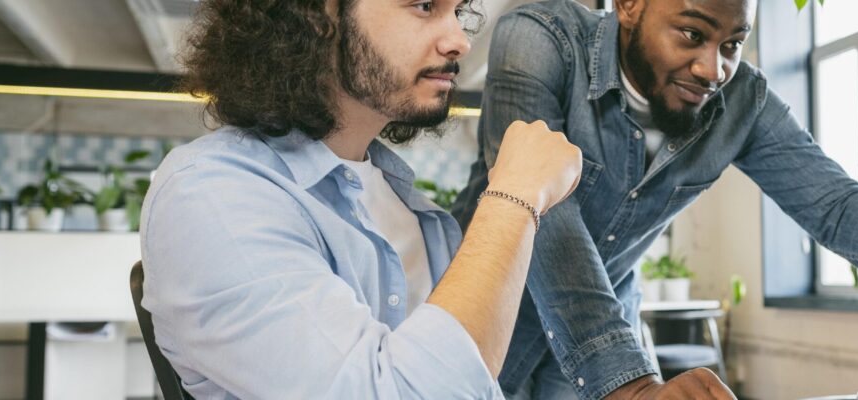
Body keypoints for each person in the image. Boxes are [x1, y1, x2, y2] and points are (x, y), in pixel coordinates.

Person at [452, 0, 858, 399]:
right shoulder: (538, 37)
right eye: (692, 34)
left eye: (733, 45)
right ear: (630, 5)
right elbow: (544, 210)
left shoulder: (745, 101)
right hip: (475, 315)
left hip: (602, 329)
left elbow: (834, 203)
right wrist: (629, 382)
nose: (713, 69)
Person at [139, 0, 581, 398]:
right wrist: (513, 198)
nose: (460, 42)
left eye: (459, 12)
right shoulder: (211, 193)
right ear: (319, 16)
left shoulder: (408, 205)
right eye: (425, 6)